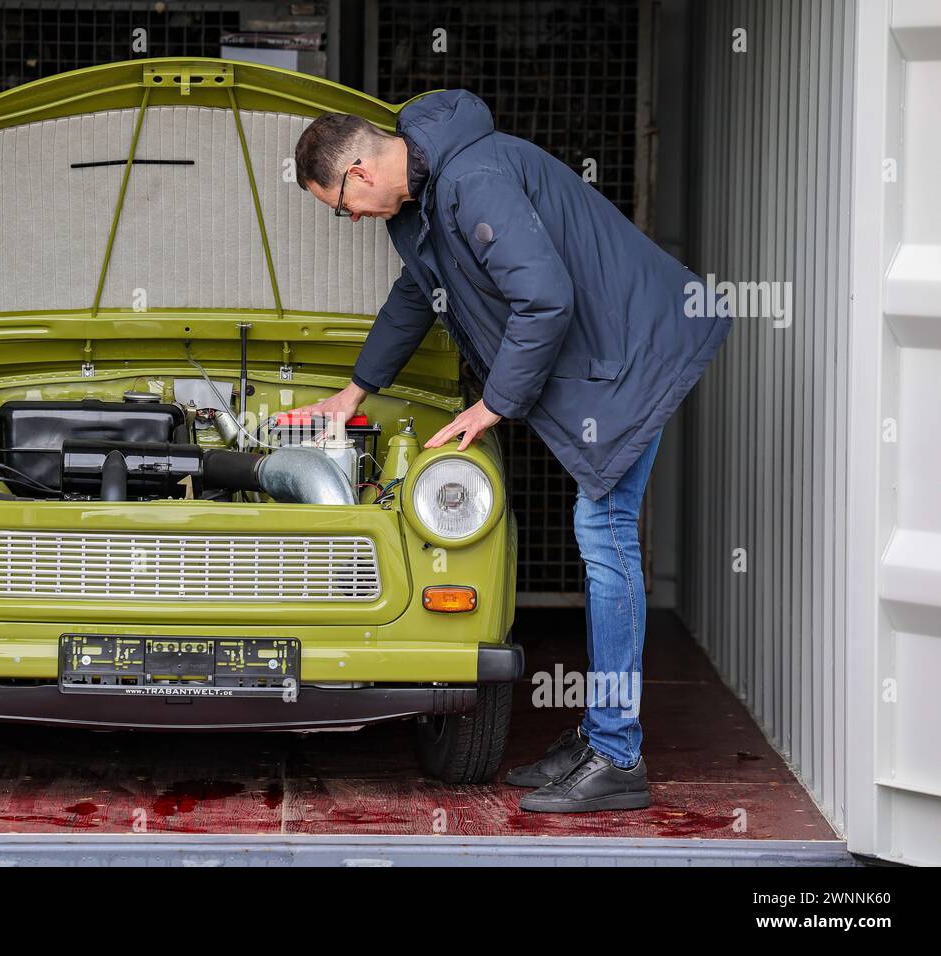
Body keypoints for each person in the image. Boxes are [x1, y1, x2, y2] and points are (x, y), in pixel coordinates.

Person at [290, 89, 731, 812]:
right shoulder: (429, 201)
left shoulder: (473, 178)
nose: (348, 220)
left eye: (339, 206)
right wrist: (355, 393)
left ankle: (616, 754)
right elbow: (416, 297)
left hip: (633, 354)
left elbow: (546, 298)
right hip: (610, 356)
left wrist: (494, 404)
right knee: (601, 533)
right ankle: (598, 736)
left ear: (361, 172)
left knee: (605, 534)